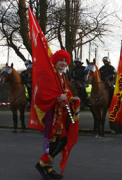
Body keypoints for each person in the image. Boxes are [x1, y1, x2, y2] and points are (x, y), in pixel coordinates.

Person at [35, 49, 80, 179]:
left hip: (59, 114)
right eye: (61, 60)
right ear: (55, 61)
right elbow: (41, 95)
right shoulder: (49, 75)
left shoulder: (60, 76)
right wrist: (57, 98)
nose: (64, 63)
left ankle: (48, 168)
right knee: (57, 140)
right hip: (51, 114)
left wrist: (71, 99)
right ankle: (43, 164)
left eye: (66, 61)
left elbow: (63, 92)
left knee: (57, 141)